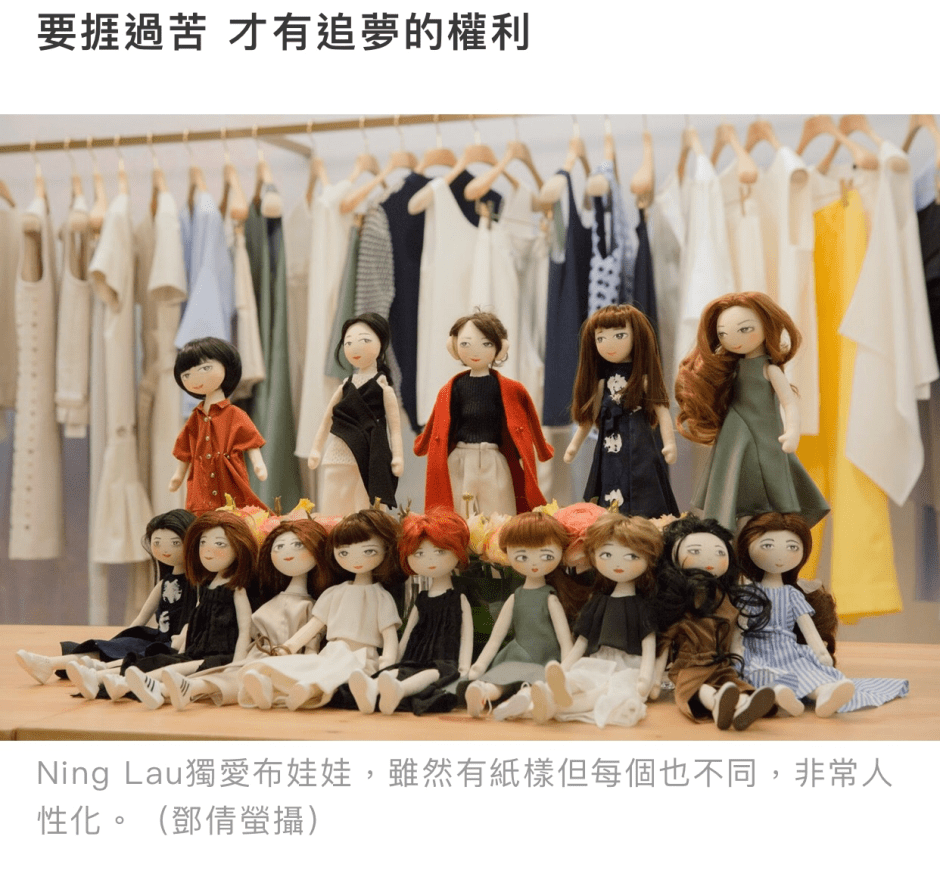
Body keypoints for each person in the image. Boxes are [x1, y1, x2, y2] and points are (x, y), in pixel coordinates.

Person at [674, 292, 829, 531]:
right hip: (735, 432)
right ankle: (732, 530)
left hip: (767, 433)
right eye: (723, 334)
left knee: (773, 481)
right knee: (732, 479)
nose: (733, 340)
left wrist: (792, 431)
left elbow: (789, 403)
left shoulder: (770, 369)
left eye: (745, 329)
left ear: (767, 325)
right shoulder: (732, 369)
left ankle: (772, 528)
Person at [736, 512, 909, 717]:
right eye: (767, 546)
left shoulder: (792, 594)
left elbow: (806, 625)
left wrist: (820, 652)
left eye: (792, 547)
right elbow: (740, 626)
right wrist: (736, 651)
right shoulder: (751, 593)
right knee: (760, 671)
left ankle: (824, 694)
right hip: (757, 648)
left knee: (807, 669)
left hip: (788, 648)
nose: (781, 555)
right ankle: (780, 693)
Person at [15, 509, 196, 691]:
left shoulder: (197, 585)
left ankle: (96, 675)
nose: (165, 550)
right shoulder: (164, 584)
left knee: (139, 657)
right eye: (157, 543)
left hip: (176, 644)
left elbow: (196, 615)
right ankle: (49, 663)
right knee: (110, 648)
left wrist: (183, 639)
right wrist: (125, 637)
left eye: (175, 543)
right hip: (157, 638)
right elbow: (141, 618)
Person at [415, 311, 552, 518]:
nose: (475, 350)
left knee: (500, 515)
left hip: (493, 458)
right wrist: (423, 443)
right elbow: (439, 421)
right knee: (459, 515)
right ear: (453, 347)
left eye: (486, 344)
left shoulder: (510, 389)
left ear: (501, 348)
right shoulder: (452, 388)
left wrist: (542, 449)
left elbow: (529, 419)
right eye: (465, 344)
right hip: (460, 458)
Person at [653, 515, 775, 730]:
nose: (710, 559)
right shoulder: (680, 599)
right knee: (695, 687)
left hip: (720, 662)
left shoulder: (724, 597)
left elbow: (735, 631)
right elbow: (666, 638)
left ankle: (742, 704)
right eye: (695, 551)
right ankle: (720, 702)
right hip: (690, 663)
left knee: (733, 684)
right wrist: (655, 677)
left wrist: (737, 658)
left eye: (720, 552)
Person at [565, 304, 678, 516]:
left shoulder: (643, 380)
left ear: (637, 337)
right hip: (609, 446)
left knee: (642, 483)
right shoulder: (602, 383)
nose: (609, 344)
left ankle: (644, 520)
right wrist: (574, 445)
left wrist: (670, 444)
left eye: (619, 335)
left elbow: (662, 411)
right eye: (600, 338)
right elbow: (589, 416)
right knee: (609, 482)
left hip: (639, 443)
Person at [307, 313, 403, 515]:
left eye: (364, 341)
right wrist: (316, 449)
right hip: (339, 452)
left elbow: (395, 429)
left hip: (371, 455)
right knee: (333, 507)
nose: (354, 348)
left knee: (365, 510)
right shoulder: (345, 386)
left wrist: (398, 457)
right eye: (348, 343)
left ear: (381, 344)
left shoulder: (383, 388)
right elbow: (327, 420)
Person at [170, 337, 267, 514]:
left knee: (235, 516)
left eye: (205, 368)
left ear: (226, 367)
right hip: (201, 485)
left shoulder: (234, 414)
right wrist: (178, 475)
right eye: (186, 375)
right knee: (202, 520)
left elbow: (250, 442)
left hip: (229, 479)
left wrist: (258, 463)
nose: (195, 378)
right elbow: (186, 450)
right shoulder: (195, 418)